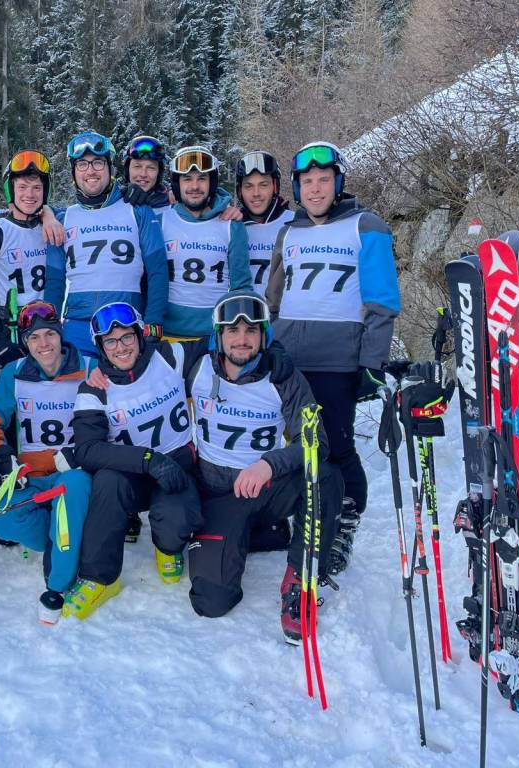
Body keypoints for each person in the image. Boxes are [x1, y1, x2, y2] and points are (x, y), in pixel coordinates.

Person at [265, 141, 401, 575]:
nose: (316, 188)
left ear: (338, 182)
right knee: (297, 444)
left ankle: (343, 523)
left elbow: (382, 301)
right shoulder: (289, 231)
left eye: (324, 180)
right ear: (297, 188)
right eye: (307, 181)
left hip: (337, 362)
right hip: (289, 360)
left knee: (337, 446)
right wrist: (270, 346)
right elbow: (274, 297)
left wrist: (371, 363)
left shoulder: (366, 226)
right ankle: (307, 512)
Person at [182, 290, 342, 642]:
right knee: (211, 601)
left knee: (325, 477)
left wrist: (269, 464)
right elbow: (137, 360)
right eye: (233, 330)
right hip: (219, 495)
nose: (242, 339)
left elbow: (317, 442)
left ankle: (300, 578)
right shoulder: (197, 364)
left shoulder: (284, 377)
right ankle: (250, 534)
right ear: (218, 334)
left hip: (264, 487)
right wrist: (99, 373)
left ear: (264, 335)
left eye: (251, 330)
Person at [64, 302, 202, 620]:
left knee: (177, 516)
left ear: (139, 336)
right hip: (135, 473)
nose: (121, 347)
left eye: (127, 337)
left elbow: (222, 345)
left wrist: (271, 352)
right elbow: (87, 450)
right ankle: (100, 578)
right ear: (101, 347)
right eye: (110, 341)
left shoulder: (168, 357)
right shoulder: (94, 389)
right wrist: (146, 459)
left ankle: (167, 547)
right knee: (106, 481)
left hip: (176, 466)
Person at [0, 301, 94, 623]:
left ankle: (57, 584)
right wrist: (2, 454)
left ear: (60, 335)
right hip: (32, 473)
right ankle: (67, 542)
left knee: (71, 493)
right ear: (25, 343)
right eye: (34, 338)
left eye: (49, 335)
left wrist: (86, 452)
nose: (44, 344)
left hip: (76, 470)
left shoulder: (89, 367)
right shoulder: (14, 374)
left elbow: (114, 417)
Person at [43, 131, 168, 357]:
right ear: (74, 172)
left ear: (110, 168)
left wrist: (154, 321)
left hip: (126, 326)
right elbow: (54, 281)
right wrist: (49, 326)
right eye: (82, 164)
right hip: (77, 327)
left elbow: (158, 271)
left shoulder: (138, 210)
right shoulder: (62, 219)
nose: (90, 170)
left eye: (98, 163)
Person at [0, 150, 56, 367]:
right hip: (12, 328)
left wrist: (49, 214)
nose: (30, 194)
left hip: (48, 324)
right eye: (22, 187)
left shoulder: (52, 228)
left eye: (37, 188)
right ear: (11, 190)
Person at [161, 145, 251, 343]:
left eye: (202, 179)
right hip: (167, 334)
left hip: (214, 335)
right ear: (177, 184)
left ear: (212, 183)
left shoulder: (231, 225)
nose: (195, 186)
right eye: (187, 179)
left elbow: (241, 286)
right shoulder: (161, 222)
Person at [235, 151, 294, 295]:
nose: (256, 193)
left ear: (275, 186)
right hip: (242, 307)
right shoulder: (231, 226)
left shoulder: (294, 224)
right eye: (248, 186)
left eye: (263, 185)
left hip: (281, 308)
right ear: (240, 190)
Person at [119, 135, 172, 212]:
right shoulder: (112, 201)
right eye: (137, 166)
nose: (143, 174)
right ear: (128, 170)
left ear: (159, 173)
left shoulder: (173, 205)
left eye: (151, 168)